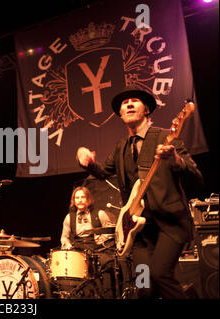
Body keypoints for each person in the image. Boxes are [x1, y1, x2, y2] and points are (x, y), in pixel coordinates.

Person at [76, 86, 204, 299]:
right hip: (139, 231)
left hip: (169, 225)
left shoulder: (164, 137)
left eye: (134, 100)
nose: (128, 104)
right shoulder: (121, 147)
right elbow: (102, 173)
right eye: (124, 103)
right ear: (120, 114)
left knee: (160, 274)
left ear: (146, 110)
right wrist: (86, 161)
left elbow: (196, 178)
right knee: (143, 285)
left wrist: (175, 160)